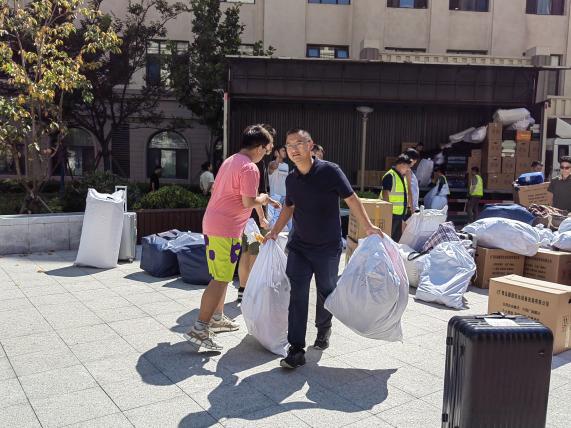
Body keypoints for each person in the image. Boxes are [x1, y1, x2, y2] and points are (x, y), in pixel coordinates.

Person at [265, 128, 384, 369]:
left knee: (326, 291)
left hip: (327, 247)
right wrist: (275, 231)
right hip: (299, 247)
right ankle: (296, 349)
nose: (294, 149)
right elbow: (289, 207)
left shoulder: (330, 171)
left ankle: (323, 328)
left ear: (310, 145)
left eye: (299, 143)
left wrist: (368, 226)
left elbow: (351, 198)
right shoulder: (291, 179)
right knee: (297, 295)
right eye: (289, 145)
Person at [184, 125, 280, 351]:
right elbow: (248, 201)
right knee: (220, 279)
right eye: (267, 150)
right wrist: (264, 198)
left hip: (215, 224)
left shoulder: (231, 161)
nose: (266, 154)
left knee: (222, 275)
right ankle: (200, 328)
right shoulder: (249, 167)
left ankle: (217, 318)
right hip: (225, 229)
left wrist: (260, 205)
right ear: (259, 147)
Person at [236, 124, 277, 304]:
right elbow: (254, 195)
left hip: (243, 218)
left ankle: (242, 290)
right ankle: (250, 292)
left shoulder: (240, 160)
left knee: (246, 252)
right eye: (269, 144)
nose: (271, 148)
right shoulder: (254, 163)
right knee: (254, 252)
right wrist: (261, 216)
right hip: (252, 216)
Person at [381, 155, 411, 241]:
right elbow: (385, 194)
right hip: (392, 214)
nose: (408, 169)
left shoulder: (401, 177)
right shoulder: (390, 176)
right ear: (401, 165)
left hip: (399, 214)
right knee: (387, 238)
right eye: (407, 166)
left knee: (395, 239)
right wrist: (387, 212)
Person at [267, 146, 291, 229]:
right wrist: (277, 157)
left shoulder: (286, 165)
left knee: (284, 218)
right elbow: (274, 167)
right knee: (274, 220)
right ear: (276, 152)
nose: (285, 152)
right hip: (274, 196)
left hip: (284, 196)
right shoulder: (271, 163)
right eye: (283, 150)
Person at [404, 148, 420, 214]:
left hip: (410, 205)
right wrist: (411, 208)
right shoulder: (407, 170)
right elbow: (409, 189)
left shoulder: (407, 169)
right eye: (415, 160)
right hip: (410, 206)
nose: (415, 162)